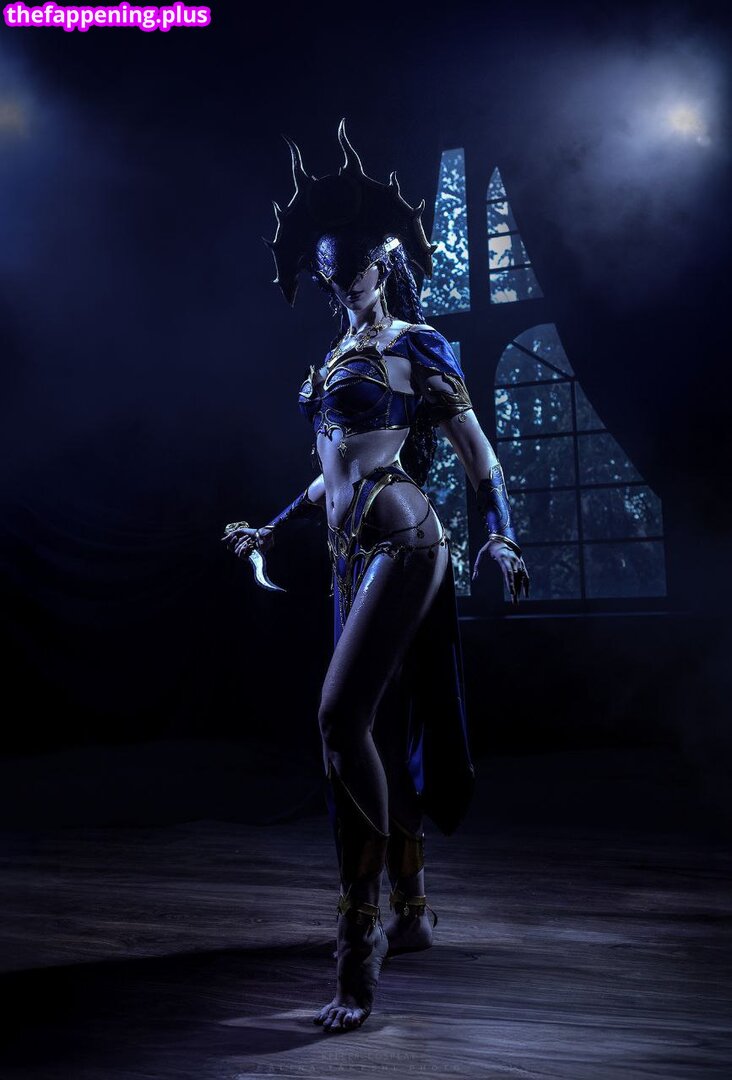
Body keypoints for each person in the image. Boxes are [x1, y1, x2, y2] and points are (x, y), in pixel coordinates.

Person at [222, 120, 530, 1033]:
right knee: (371, 728)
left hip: (407, 538)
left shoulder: (418, 343)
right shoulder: (328, 361)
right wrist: (271, 525)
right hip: (349, 554)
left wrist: (502, 537)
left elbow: (478, 453)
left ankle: (359, 951)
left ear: (382, 263)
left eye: (349, 271)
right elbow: (332, 472)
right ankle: (413, 905)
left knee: (337, 718)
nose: (337, 285)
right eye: (326, 275)